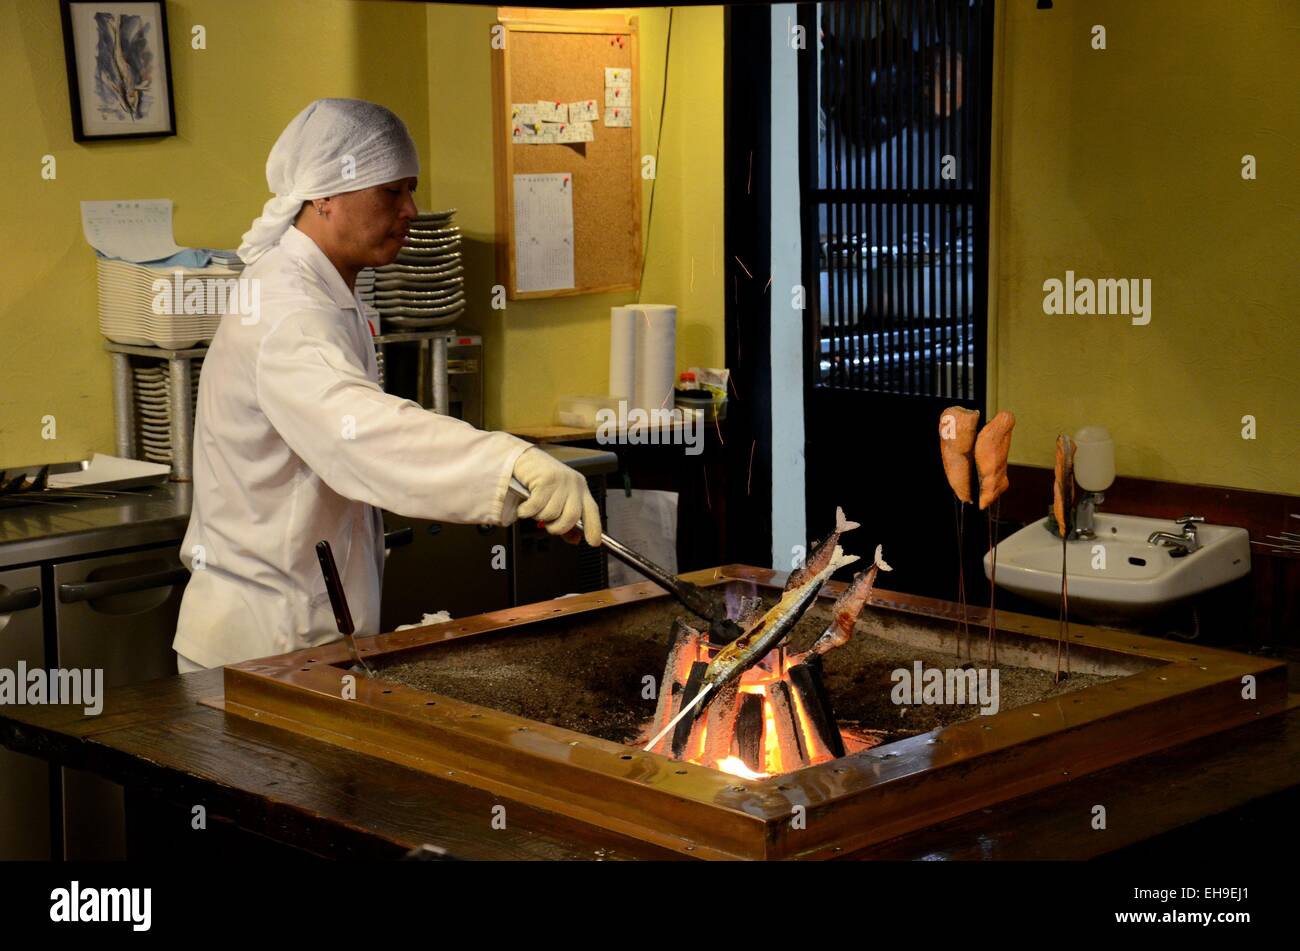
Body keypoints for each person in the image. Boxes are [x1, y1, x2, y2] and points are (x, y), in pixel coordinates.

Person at [172, 98, 601, 671]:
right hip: (263, 647)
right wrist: (510, 462)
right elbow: (362, 435)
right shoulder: (286, 308)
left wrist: (520, 492)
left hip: (298, 635)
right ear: (323, 194)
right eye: (391, 192)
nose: (411, 211)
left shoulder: (325, 291)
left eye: (411, 190)